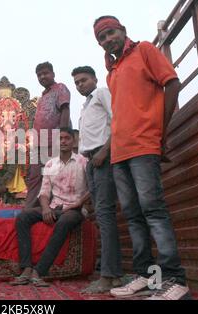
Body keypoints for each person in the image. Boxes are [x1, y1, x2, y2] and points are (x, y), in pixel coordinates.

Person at [94, 16, 191, 300]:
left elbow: (172, 83)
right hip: (119, 153)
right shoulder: (112, 73)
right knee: (134, 216)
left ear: (122, 30)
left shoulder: (145, 50)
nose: (108, 39)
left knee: (153, 211)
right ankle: (148, 277)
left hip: (144, 146)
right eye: (101, 37)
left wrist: (160, 134)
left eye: (111, 32)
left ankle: (175, 279)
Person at [10, 128, 89, 287]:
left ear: (73, 141)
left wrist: (78, 203)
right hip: (54, 207)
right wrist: (45, 209)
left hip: (75, 209)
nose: (63, 141)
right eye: (60, 138)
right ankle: (26, 268)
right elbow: (44, 192)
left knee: (64, 221)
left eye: (67, 138)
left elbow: (93, 189)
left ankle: (38, 272)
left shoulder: (83, 162)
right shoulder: (50, 164)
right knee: (23, 217)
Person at [72, 66, 123, 293]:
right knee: (101, 216)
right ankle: (113, 277)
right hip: (92, 161)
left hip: (103, 157)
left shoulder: (102, 92)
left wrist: (104, 152)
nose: (80, 84)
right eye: (77, 82)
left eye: (83, 80)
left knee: (105, 214)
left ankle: (109, 275)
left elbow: (118, 120)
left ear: (94, 78)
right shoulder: (86, 105)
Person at [25, 62, 71, 209]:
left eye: (45, 73)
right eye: (39, 75)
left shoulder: (60, 88)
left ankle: (57, 207)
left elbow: (65, 110)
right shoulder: (42, 97)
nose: (42, 76)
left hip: (54, 141)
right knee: (34, 177)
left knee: (54, 175)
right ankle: (30, 209)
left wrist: (63, 135)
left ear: (53, 74)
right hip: (39, 144)